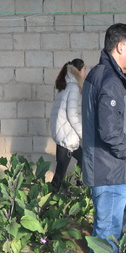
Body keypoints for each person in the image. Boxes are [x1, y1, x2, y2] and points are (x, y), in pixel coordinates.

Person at [81, 23, 126, 253]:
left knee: (103, 233)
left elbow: (117, 112)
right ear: (120, 47)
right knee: (109, 236)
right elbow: (108, 129)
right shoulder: (110, 79)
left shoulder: (104, 75)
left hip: (108, 169)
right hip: (111, 171)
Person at [49, 58, 87, 193]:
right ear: (78, 71)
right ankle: (46, 200)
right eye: (84, 70)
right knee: (59, 177)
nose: (85, 73)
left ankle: (79, 187)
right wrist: (83, 134)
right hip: (67, 139)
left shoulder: (65, 86)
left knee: (84, 159)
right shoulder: (74, 87)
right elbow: (72, 115)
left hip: (64, 136)